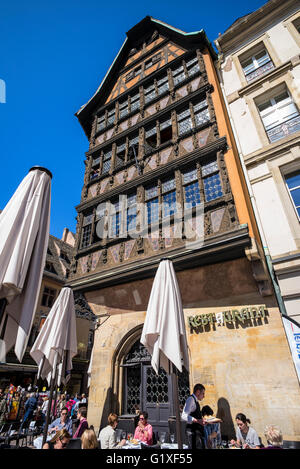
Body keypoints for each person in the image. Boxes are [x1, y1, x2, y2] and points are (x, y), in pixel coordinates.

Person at [181, 383, 206, 449]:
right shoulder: (191, 399)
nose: (204, 396)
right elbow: (184, 415)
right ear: (198, 392)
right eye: (203, 393)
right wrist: (197, 420)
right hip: (192, 432)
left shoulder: (195, 401)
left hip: (196, 432)